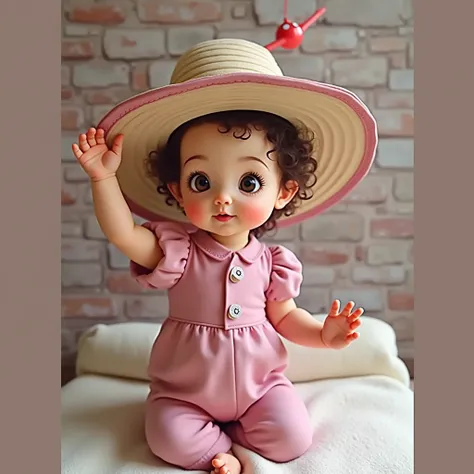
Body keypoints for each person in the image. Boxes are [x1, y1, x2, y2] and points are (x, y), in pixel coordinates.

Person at [72, 39, 378, 474]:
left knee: (293, 436)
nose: (223, 198)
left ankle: (246, 428)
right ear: (177, 191)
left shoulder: (273, 263)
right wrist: (103, 178)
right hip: (184, 391)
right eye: (201, 180)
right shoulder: (175, 249)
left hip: (260, 388)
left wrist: (324, 335)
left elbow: (286, 318)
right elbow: (122, 233)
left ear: (283, 192)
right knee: (168, 437)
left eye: (249, 182)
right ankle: (221, 450)